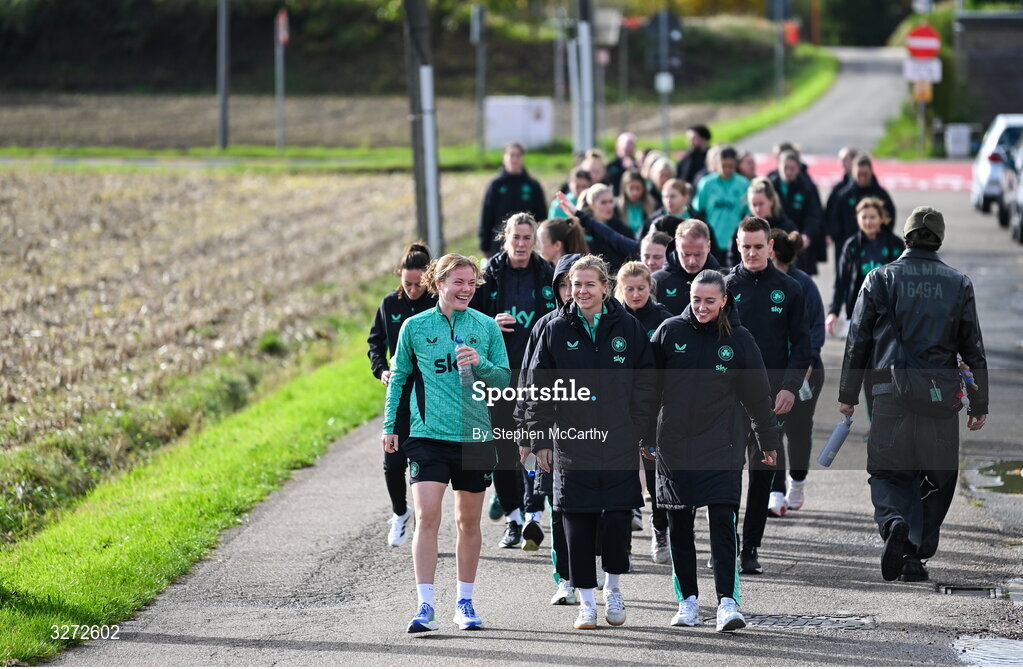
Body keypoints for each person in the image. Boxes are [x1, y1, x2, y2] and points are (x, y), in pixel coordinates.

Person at [839, 206, 988, 583]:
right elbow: (972, 348)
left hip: (890, 391)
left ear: (904, 238)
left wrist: (848, 393)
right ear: (939, 239)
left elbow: (857, 339)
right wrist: (979, 400)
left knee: (889, 471)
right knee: (939, 476)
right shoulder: (959, 283)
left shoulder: (879, 278)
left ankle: (893, 524)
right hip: (941, 396)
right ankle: (914, 554)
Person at [519, 255, 657, 630]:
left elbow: (646, 381)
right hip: (571, 443)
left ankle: (612, 589)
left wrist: (637, 427)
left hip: (617, 442)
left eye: (589, 284)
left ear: (605, 287)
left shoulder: (626, 327)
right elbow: (537, 386)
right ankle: (586, 603)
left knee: (616, 520)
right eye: (575, 284)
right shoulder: (553, 329)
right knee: (576, 523)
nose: (581, 291)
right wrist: (540, 437)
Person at [382, 254, 511, 633]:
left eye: (471, 282)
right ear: (439, 283)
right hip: (427, 436)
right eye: (458, 281)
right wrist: (391, 425)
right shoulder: (414, 327)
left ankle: (464, 603)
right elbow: (400, 377)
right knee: (426, 516)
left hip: (475, 436)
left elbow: (503, 380)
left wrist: (481, 364)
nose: (466, 289)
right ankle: (424, 606)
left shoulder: (485, 328)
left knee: (468, 521)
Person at [649, 269, 780, 632]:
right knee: (679, 526)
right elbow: (647, 390)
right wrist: (645, 437)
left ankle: (727, 603)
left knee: (723, 522)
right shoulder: (670, 332)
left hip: (722, 445)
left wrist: (767, 441)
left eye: (710, 301)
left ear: (724, 300)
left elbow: (758, 396)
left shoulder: (739, 339)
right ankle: (687, 602)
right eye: (696, 300)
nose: (702, 307)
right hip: (673, 447)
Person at [725, 217, 811, 575]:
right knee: (727, 476)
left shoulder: (789, 289)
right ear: (738, 245)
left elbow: (803, 345)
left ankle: (750, 549)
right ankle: (724, 545)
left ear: (770, 247)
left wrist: (790, 388)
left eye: (758, 246)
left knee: (762, 475)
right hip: (729, 398)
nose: (752, 253)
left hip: (771, 398)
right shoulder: (726, 286)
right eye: (746, 246)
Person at [470, 214, 555, 551]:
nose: (521, 244)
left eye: (527, 237)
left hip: (536, 374)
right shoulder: (487, 276)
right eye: (515, 237)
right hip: (497, 374)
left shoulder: (547, 274)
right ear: (505, 238)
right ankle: (514, 518)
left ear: (534, 240)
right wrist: (490, 322)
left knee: (537, 444)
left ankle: (535, 513)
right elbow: (464, 319)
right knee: (503, 448)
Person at [512, 253, 583, 606]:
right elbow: (527, 382)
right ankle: (565, 578)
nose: (572, 291)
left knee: (591, 508)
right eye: (564, 285)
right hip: (552, 435)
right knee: (558, 506)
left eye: (577, 283)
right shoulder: (544, 326)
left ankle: (590, 565)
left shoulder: (606, 324)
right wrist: (527, 435)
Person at [367, 242, 437, 547]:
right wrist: (381, 369)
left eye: (417, 284)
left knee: (424, 459)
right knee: (392, 461)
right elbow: (375, 342)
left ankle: (426, 527)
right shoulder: (389, 304)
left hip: (429, 393)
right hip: (398, 388)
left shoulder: (437, 304)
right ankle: (400, 512)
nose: (411, 289)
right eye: (406, 283)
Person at [614, 261, 673, 564]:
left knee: (654, 477)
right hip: (619, 407)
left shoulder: (664, 319)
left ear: (650, 287)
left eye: (641, 288)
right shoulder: (612, 317)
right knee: (621, 479)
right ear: (619, 290)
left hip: (653, 408)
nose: (635, 294)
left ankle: (660, 526)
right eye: (629, 289)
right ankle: (620, 543)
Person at [767, 230, 825, 514]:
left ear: (773, 253)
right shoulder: (759, 283)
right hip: (771, 371)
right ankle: (775, 490)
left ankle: (797, 481)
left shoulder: (804, 284)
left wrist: (807, 362)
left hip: (806, 371)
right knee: (771, 431)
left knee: (799, 431)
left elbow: (816, 328)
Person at [827, 197, 905, 336]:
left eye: (873, 217)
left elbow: (904, 279)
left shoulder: (895, 245)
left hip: (888, 313)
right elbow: (841, 281)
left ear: (882, 218)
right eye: (864, 217)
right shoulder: (851, 246)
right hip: (858, 311)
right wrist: (833, 312)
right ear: (857, 219)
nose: (868, 222)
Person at [825, 152, 896, 270]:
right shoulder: (844, 195)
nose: (862, 178)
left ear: (871, 172)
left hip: (876, 249)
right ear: (853, 173)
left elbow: (890, 218)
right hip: (849, 248)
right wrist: (841, 240)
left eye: (865, 174)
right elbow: (834, 219)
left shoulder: (881, 195)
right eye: (859, 175)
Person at [478, 142, 548, 257]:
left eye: (517, 155)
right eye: (511, 155)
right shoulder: (496, 185)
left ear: (522, 158)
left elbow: (541, 215)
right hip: (499, 243)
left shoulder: (532, 185)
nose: (514, 159)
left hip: (527, 244)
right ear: (504, 157)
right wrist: (484, 244)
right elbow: (487, 215)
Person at [769, 150, 824, 276]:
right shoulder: (770, 186)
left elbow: (813, 215)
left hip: (798, 243)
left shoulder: (806, 187)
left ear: (799, 169)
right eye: (785, 168)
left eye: (792, 168)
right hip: (774, 242)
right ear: (779, 166)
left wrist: (807, 235)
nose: (788, 172)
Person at [694, 146, 752, 265]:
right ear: (717, 163)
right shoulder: (706, 183)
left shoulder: (743, 184)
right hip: (712, 240)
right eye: (723, 166)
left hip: (736, 240)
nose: (727, 169)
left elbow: (748, 211)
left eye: (730, 166)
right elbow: (698, 210)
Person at [653, 219, 722, 316]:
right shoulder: (656, 282)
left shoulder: (725, 280)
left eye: (698, 255)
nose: (692, 261)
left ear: (709, 246)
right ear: (677, 246)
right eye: (686, 254)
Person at [727, 176, 797, 266]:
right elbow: (732, 256)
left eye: (761, 204)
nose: (757, 209)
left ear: (771, 201)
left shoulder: (786, 227)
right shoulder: (742, 228)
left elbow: (795, 260)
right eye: (754, 204)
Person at [568, 185, 635, 274]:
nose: (609, 206)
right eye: (603, 202)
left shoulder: (623, 230)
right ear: (592, 205)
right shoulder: (581, 231)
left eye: (611, 201)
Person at [617, 170, 659, 239]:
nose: (635, 193)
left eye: (638, 188)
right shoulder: (616, 207)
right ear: (624, 188)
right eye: (631, 188)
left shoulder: (653, 205)